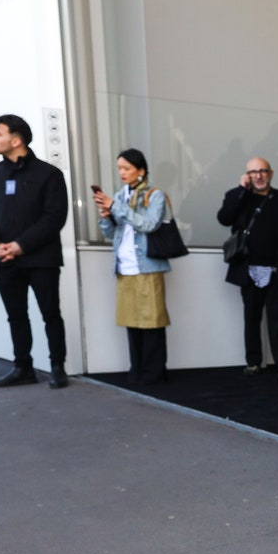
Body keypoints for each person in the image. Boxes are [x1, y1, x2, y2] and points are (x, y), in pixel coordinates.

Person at [0, 114, 70, 389]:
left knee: (50, 314)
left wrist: (21, 246)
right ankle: (23, 368)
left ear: (16, 140)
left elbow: (54, 217)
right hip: (5, 260)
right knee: (16, 315)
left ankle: (57, 367)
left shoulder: (49, 174)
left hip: (42, 259)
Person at [217, 157, 278, 380]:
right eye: (253, 172)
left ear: (271, 173)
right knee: (251, 318)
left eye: (262, 171)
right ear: (247, 175)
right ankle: (253, 362)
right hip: (248, 270)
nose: (258, 176)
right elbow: (224, 218)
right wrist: (241, 190)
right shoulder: (238, 196)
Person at [93, 149, 173, 385]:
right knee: (131, 322)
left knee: (152, 321)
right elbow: (111, 233)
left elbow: (149, 224)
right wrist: (105, 215)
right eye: (119, 168)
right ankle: (136, 371)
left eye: (127, 168)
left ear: (141, 170)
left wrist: (116, 207)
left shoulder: (155, 195)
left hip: (147, 265)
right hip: (124, 266)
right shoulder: (120, 195)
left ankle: (154, 373)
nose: (122, 172)